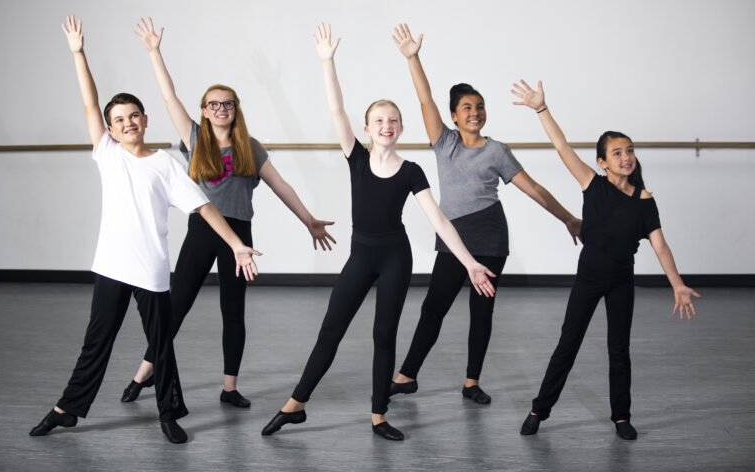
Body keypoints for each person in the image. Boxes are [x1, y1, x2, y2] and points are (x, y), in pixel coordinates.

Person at [29, 16, 261, 444]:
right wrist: (79, 53)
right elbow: (88, 102)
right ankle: (67, 409)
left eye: (134, 115)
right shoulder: (107, 153)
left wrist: (236, 245)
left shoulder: (166, 165)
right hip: (111, 268)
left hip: (151, 271)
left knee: (162, 344)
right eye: (119, 119)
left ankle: (169, 413)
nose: (128, 123)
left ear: (145, 119)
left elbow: (206, 207)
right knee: (95, 342)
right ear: (111, 128)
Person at [261, 23, 497, 441]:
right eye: (378, 120)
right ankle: (296, 403)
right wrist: (327, 62)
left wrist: (470, 263)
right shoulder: (355, 157)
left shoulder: (411, 171)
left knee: (383, 334)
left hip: (394, 258)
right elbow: (336, 111)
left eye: (393, 120)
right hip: (360, 256)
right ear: (367, 128)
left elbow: (439, 220)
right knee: (331, 330)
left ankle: (378, 415)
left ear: (400, 129)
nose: (386, 125)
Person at [120, 18, 336, 409]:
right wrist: (154, 51)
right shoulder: (194, 139)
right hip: (203, 231)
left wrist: (308, 220)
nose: (220, 109)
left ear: (235, 110)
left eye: (227, 104)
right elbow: (169, 97)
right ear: (204, 111)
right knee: (177, 307)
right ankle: (144, 372)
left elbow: (281, 185)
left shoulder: (249, 148)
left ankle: (230, 387)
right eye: (213, 104)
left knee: (233, 313)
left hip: (240, 237)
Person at [389, 24, 581, 404]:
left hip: (491, 238)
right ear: (454, 116)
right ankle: (406, 375)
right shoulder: (443, 143)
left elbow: (535, 190)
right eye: (467, 108)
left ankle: (472, 381)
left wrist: (568, 219)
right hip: (453, 238)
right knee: (434, 308)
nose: (474, 113)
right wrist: (413, 57)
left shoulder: (498, 151)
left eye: (479, 107)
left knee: (482, 312)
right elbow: (424, 98)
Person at [511, 79, 700, 440]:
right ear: (602, 162)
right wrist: (541, 109)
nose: (626, 156)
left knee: (619, 350)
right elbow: (562, 146)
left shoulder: (645, 200)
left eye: (629, 150)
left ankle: (621, 417)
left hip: (620, 281)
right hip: (589, 278)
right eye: (617, 152)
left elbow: (660, 246)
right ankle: (539, 409)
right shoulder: (592, 184)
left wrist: (677, 285)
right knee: (568, 344)